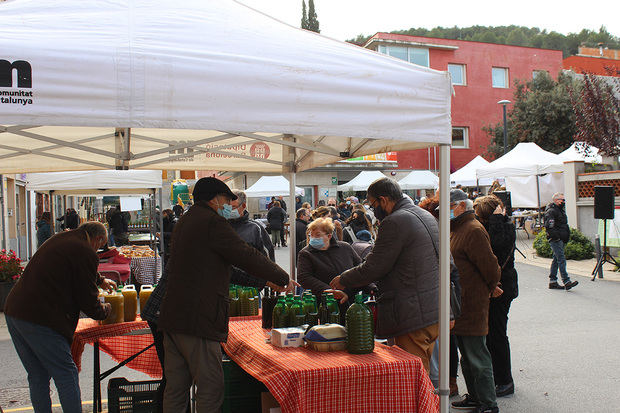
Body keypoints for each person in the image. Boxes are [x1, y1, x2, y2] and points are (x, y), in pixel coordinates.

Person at [157, 177, 294, 412]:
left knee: (176, 389)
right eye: (225, 199)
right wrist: (282, 277)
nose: (228, 205)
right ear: (214, 199)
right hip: (197, 318)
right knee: (210, 387)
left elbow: (225, 268)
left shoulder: (186, 220)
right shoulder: (212, 222)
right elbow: (245, 254)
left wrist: (266, 279)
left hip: (173, 316)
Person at [5, 222, 117, 412]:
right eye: (101, 245)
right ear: (97, 239)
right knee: (66, 374)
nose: (99, 249)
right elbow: (88, 302)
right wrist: (105, 310)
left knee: (38, 375)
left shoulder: (65, 238)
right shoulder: (85, 251)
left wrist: (100, 280)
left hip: (15, 311)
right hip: (39, 318)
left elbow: (73, 267)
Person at [330, 177, 440, 372]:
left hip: (412, 311)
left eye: (373, 205)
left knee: (413, 375)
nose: (373, 210)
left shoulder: (395, 221)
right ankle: (430, 401)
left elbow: (375, 266)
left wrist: (344, 279)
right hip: (432, 307)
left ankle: (424, 403)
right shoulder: (424, 214)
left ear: (384, 200)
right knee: (424, 371)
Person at [449, 189, 502, 413]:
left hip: (472, 300)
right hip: (462, 301)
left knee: (477, 355)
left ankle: (488, 402)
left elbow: (490, 266)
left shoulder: (472, 229)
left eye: (450, 207)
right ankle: (476, 396)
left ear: (461, 206)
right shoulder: (460, 228)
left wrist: (491, 286)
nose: (447, 212)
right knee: (467, 356)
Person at [474, 195, 519, 398]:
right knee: (492, 334)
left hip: (502, 287)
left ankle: (505, 380)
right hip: (500, 286)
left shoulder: (502, 228)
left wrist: (495, 220)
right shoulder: (500, 225)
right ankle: (498, 377)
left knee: (497, 335)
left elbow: (495, 247)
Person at [297, 217, 364, 320]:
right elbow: (304, 278)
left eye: (318, 235)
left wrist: (371, 287)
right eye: (311, 235)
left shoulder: (345, 247)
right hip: (322, 305)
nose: (313, 238)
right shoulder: (305, 253)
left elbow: (360, 268)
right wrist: (329, 291)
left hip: (351, 303)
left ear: (329, 236)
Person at [229, 189, 280, 289]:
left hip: (250, 287)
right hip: (225, 286)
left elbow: (268, 258)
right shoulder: (221, 226)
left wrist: (272, 279)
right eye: (226, 207)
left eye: (233, 207)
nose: (229, 210)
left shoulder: (255, 228)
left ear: (243, 206)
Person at [545, 192, 578, 291]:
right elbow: (550, 226)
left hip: (561, 239)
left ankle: (553, 281)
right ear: (556, 200)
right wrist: (556, 238)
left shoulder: (560, 210)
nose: (564, 202)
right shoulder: (551, 211)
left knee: (556, 259)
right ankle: (566, 281)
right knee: (561, 259)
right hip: (556, 240)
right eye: (562, 200)